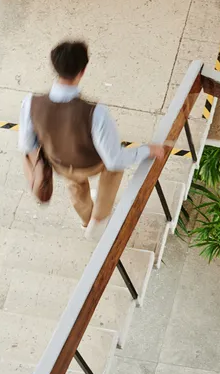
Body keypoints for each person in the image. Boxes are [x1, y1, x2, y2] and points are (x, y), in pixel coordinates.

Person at [18, 41, 168, 237]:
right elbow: (114, 160)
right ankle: (100, 217)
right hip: (92, 163)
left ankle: (87, 220)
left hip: (61, 165)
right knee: (115, 164)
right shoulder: (95, 112)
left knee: (75, 187)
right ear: (83, 70)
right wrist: (149, 150)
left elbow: (26, 145)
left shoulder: (31, 103)